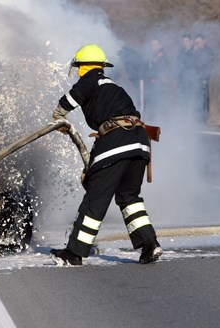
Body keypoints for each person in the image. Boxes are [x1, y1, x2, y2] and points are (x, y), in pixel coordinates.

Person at [49, 44, 162, 266]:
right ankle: (149, 245)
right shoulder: (113, 87)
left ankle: (74, 253)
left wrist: (58, 116)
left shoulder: (91, 79)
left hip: (117, 141)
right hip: (139, 144)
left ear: (83, 67)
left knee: (95, 198)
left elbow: (71, 99)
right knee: (129, 198)